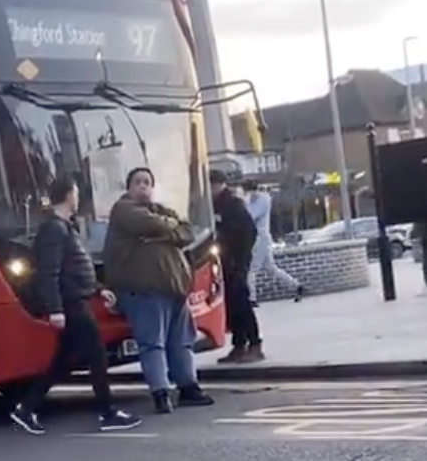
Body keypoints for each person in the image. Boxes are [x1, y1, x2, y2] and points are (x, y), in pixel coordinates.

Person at [10, 175, 141, 435]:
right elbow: (49, 273)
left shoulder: (64, 227)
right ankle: (107, 413)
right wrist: (55, 309)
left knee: (61, 363)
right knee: (97, 355)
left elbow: (75, 268)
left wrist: (98, 290)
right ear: (69, 195)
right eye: (76, 193)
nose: (79, 197)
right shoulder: (54, 229)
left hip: (76, 300)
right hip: (71, 305)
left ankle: (25, 409)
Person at [103, 167, 214, 414]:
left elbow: (187, 231)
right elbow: (149, 224)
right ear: (129, 188)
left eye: (147, 182)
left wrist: (162, 231)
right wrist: (167, 230)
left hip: (173, 289)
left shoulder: (161, 211)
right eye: (138, 182)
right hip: (143, 290)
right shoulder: (123, 209)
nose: (143, 186)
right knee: (152, 343)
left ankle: (188, 387)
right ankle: (160, 393)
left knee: (182, 341)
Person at [210, 170, 265, 363]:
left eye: (212, 185)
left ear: (220, 184)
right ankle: (239, 343)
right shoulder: (212, 206)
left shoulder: (232, 205)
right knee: (232, 304)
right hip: (224, 261)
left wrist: (241, 260)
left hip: (235, 261)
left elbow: (249, 231)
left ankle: (255, 343)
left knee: (242, 301)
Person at [242, 179, 303, 306]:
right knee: (271, 268)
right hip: (260, 238)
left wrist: (245, 202)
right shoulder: (254, 200)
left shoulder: (263, 200)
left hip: (261, 238)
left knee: (252, 269)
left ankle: (252, 298)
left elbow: (251, 215)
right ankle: (296, 285)